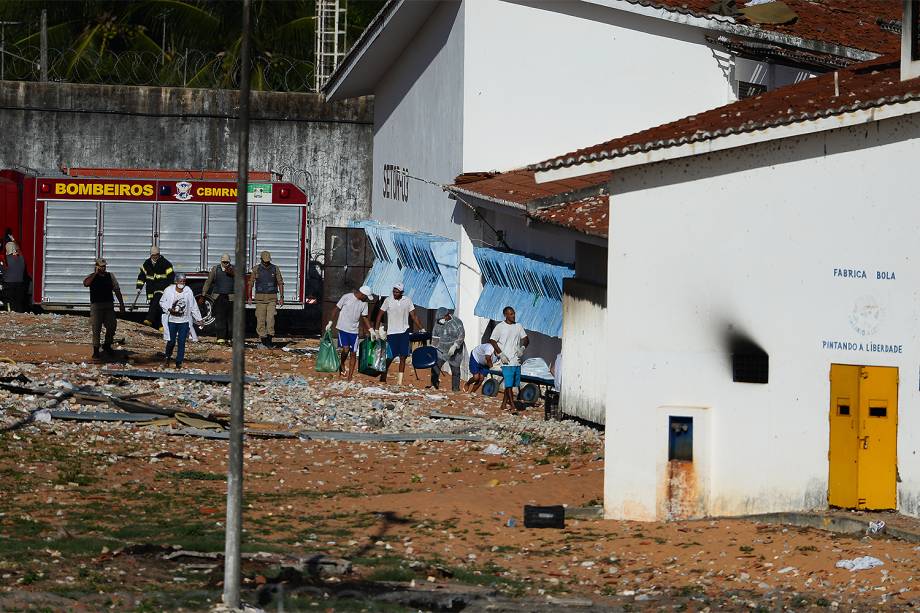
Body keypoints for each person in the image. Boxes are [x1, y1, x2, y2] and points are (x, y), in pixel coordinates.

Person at [374, 283, 423, 385]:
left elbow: (414, 316)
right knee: (390, 356)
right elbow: (379, 315)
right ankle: (383, 376)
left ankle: (399, 381)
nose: (395, 293)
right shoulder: (388, 300)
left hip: (404, 331)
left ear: (402, 292)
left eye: (397, 292)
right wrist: (376, 330)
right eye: (394, 291)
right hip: (392, 332)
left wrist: (421, 328)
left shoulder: (407, 301)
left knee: (403, 356)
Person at [83, 257, 126, 359]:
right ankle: (96, 350)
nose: (103, 268)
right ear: (97, 267)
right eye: (101, 266)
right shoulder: (92, 277)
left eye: (104, 266)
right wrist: (95, 274)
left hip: (108, 305)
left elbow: (117, 290)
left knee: (111, 326)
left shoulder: (110, 276)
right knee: (96, 328)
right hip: (96, 306)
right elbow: (86, 283)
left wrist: (121, 304)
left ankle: (107, 345)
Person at [328, 285, 374, 380]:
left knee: (353, 353)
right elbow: (336, 309)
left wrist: (371, 330)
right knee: (345, 349)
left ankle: (350, 377)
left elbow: (364, 317)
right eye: (366, 296)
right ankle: (342, 363)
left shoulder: (364, 303)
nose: (366, 299)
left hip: (354, 331)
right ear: (362, 294)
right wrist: (330, 322)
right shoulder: (347, 297)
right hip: (343, 328)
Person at [489, 306, 529, 412]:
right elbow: (492, 340)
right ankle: (512, 405)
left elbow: (526, 339)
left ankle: (503, 404)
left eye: (514, 313)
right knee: (509, 384)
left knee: (512, 384)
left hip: (515, 360)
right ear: (505, 315)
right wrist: (500, 354)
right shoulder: (500, 327)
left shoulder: (518, 326)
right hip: (506, 360)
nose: (513, 316)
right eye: (510, 314)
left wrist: (522, 348)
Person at [159, 273, 203, 369]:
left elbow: (193, 305)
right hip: (171, 320)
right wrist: (169, 309)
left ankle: (179, 362)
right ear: (176, 281)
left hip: (184, 321)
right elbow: (162, 302)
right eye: (180, 281)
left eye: (184, 281)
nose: (182, 283)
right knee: (171, 341)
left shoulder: (188, 291)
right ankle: (167, 357)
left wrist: (198, 318)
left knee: (182, 341)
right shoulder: (169, 290)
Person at [249, 250, 284, 348]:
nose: (266, 263)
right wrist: (249, 297)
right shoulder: (256, 269)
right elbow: (250, 283)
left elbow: (280, 283)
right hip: (260, 299)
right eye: (264, 261)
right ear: (261, 260)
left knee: (270, 319)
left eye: (267, 261)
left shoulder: (275, 269)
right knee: (260, 320)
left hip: (272, 299)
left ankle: (269, 341)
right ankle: (263, 341)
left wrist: (281, 297)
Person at [136, 246, 174, 331]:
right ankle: (161, 325)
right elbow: (142, 276)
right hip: (150, 289)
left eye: (157, 255)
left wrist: (170, 289)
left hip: (162, 288)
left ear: (159, 254)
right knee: (156, 306)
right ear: (151, 255)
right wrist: (139, 286)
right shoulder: (147, 264)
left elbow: (171, 277)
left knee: (157, 303)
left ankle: (149, 319)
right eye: (153, 255)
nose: (155, 257)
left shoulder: (165, 263)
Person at [201, 253, 235, 344]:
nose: (225, 264)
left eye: (227, 262)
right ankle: (221, 338)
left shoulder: (234, 269)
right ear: (221, 261)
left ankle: (230, 337)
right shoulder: (215, 269)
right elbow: (208, 282)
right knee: (220, 318)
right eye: (224, 262)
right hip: (219, 297)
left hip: (231, 297)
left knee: (231, 319)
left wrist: (232, 273)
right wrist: (203, 294)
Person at [430, 307, 465, 391]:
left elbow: (461, 335)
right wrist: (433, 348)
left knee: (455, 370)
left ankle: (455, 389)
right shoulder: (438, 323)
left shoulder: (457, 322)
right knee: (435, 368)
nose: (440, 320)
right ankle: (434, 386)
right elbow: (435, 335)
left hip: (454, 351)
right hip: (441, 350)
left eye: (442, 318)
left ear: (447, 315)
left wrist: (455, 346)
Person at [3, 241, 28, 313]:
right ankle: (19, 314)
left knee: (9, 301)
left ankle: (10, 313)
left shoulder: (7, 258)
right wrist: (13, 240)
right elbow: (19, 249)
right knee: (18, 302)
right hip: (20, 283)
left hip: (9, 284)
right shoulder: (21, 258)